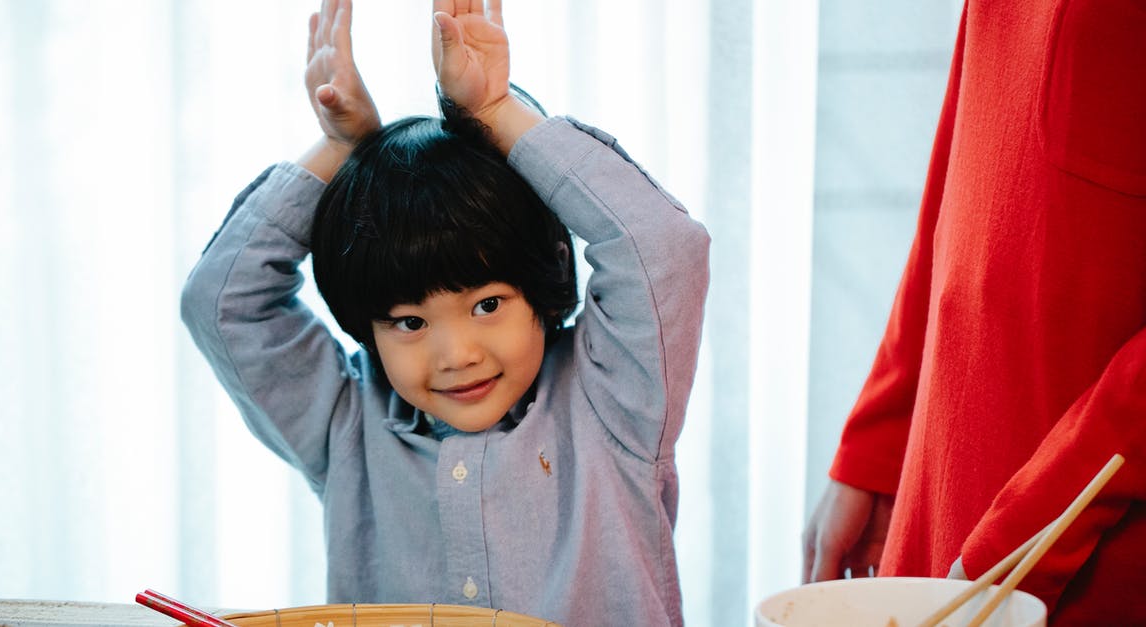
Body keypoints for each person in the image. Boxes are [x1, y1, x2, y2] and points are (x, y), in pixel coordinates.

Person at [180, 0, 710, 625]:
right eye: (409, 322)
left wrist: (495, 113)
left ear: (543, 287)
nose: (456, 354)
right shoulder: (346, 424)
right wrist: (342, 148)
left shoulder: (615, 400)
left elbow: (664, 247)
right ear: (368, 327)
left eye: (487, 304)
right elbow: (220, 302)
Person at [801, 0, 1146, 623]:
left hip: (1077, 566)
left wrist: (1033, 536)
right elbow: (964, 164)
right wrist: (876, 445)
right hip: (952, 527)